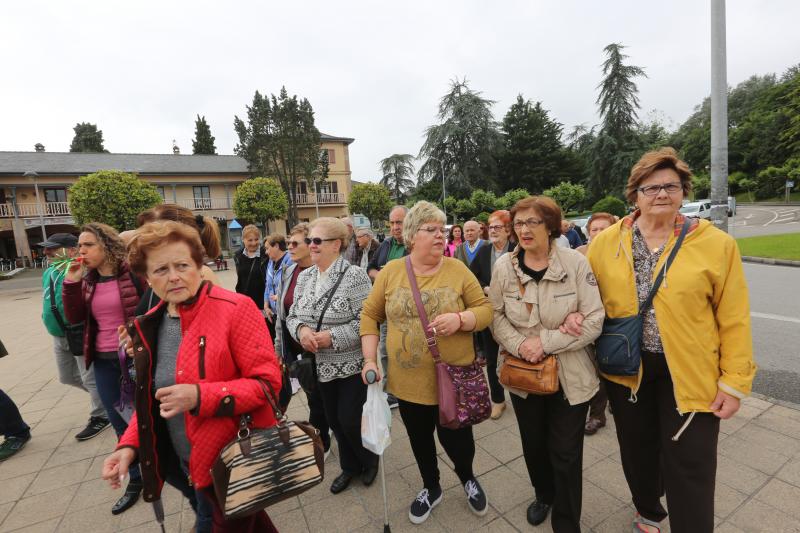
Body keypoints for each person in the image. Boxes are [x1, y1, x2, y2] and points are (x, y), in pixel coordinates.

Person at [586, 148, 756, 533]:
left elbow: (733, 317)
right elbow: (587, 297)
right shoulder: (605, 242)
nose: (661, 194)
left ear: (683, 192)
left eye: (671, 186)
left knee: (691, 460)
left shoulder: (715, 244)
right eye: (651, 187)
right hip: (627, 369)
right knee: (637, 450)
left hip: (692, 371)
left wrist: (733, 381)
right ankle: (648, 510)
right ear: (635, 195)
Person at [103, 221, 283, 533]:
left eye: (182, 265)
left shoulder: (236, 309)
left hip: (233, 463)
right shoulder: (150, 323)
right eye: (160, 270)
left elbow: (268, 386)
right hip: (183, 464)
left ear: (199, 266)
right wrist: (128, 446)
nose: (173, 276)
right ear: (146, 277)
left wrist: (200, 396)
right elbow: (154, 399)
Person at [360, 201, 493, 525]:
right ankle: (431, 487)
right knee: (420, 441)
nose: (439, 235)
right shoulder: (391, 272)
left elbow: (485, 310)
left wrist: (462, 319)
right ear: (411, 235)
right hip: (408, 385)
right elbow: (369, 315)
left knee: (459, 441)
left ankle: (468, 477)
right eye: (430, 229)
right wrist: (369, 359)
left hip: (454, 380)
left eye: (442, 229)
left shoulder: (457, 269)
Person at [488, 195, 604, 532]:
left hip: (570, 375)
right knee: (534, 445)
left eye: (532, 222)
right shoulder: (504, 268)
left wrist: (546, 342)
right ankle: (544, 494)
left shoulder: (575, 264)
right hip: (523, 374)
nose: (523, 230)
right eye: (519, 223)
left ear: (550, 226)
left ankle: (567, 522)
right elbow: (495, 316)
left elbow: (595, 319)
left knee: (566, 453)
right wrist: (522, 345)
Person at [286, 217, 377, 494]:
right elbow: (291, 315)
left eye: (316, 241)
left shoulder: (355, 276)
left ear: (336, 244)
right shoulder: (305, 276)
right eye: (309, 240)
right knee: (334, 421)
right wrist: (301, 331)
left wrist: (332, 337)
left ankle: (369, 460)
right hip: (317, 367)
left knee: (349, 418)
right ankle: (349, 467)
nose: (310, 246)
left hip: (350, 364)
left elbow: (368, 320)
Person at [62, 223, 146, 515]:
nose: (80, 251)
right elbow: (74, 318)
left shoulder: (135, 274)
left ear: (107, 247)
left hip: (136, 359)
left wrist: (137, 339)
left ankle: (167, 463)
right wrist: (71, 283)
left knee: (149, 414)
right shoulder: (87, 280)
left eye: (88, 245)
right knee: (120, 421)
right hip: (103, 360)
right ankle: (136, 478)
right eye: (80, 246)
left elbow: (151, 311)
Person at [40, 233, 110, 441]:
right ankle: (107, 396)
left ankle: (101, 415)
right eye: (46, 248)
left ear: (71, 250)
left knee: (90, 378)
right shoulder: (50, 271)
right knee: (67, 377)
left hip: (78, 333)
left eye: (53, 248)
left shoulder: (80, 269)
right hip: (58, 335)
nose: (46, 252)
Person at [274, 223, 331, 451]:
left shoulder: (323, 273)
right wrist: (279, 351)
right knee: (312, 398)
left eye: (295, 243)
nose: (289, 247)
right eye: (288, 242)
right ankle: (322, 441)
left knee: (323, 400)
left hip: (321, 349)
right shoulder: (288, 271)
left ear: (311, 245)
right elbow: (282, 315)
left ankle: (324, 441)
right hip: (295, 349)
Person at [133, 204, 223, 316]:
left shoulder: (202, 275)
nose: (147, 241)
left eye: (155, 233)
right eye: (145, 233)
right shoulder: (155, 274)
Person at [468, 210, 514, 420]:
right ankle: (498, 400)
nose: (492, 230)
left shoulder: (518, 249)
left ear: (508, 229)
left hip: (517, 314)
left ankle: (526, 392)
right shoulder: (484, 252)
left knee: (518, 355)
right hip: (491, 313)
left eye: (497, 227)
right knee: (492, 357)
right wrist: (486, 287)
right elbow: (472, 278)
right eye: (490, 226)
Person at [575, 212, 616, 436]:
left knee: (613, 365)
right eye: (595, 229)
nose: (599, 234)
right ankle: (597, 414)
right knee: (593, 367)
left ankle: (611, 403)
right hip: (586, 320)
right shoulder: (579, 254)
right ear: (588, 232)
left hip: (615, 321)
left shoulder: (622, 253)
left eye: (605, 229)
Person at [366, 205, 409, 408]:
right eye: (392, 223)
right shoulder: (386, 245)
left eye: (399, 222)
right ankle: (390, 390)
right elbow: (371, 268)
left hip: (408, 309)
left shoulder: (414, 245)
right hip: (385, 306)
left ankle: (406, 388)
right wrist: (383, 277)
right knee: (384, 348)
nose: (395, 227)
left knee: (406, 348)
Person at [264, 233, 292, 342]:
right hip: (275, 313)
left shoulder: (290, 261)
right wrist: (266, 306)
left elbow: (291, 286)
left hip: (287, 312)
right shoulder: (271, 262)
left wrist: (280, 296)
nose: (266, 252)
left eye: (267, 248)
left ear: (276, 246)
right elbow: (268, 285)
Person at [234, 224, 267, 314]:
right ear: (243, 240)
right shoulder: (238, 255)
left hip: (263, 304)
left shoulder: (266, 254)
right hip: (245, 303)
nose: (253, 243)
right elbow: (240, 279)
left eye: (256, 239)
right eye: (250, 240)